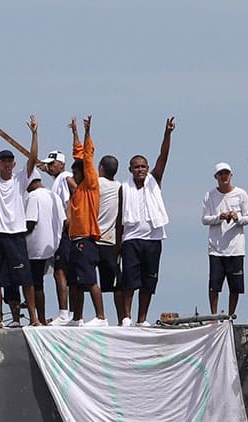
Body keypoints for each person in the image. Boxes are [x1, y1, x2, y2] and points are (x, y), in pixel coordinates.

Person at [0, 112, 40, 327]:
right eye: (2, 161)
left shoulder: (20, 179)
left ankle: (33, 318)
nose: (6, 164)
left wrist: (34, 134)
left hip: (15, 235)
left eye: (9, 161)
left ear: (13, 163)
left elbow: (32, 159)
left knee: (25, 279)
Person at [117, 117, 175, 326]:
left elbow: (164, 156)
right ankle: (126, 317)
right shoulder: (123, 188)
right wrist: (117, 243)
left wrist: (167, 133)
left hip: (153, 238)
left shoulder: (154, 181)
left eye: (143, 166)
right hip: (131, 238)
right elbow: (118, 218)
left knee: (148, 281)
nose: (140, 169)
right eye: (136, 167)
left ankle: (142, 319)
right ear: (130, 169)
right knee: (129, 281)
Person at [66, 116, 106, 326]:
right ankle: (77, 318)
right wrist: (74, 134)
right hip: (74, 239)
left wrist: (87, 132)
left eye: (75, 172)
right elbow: (78, 155)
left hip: (86, 239)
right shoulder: (79, 190)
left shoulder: (90, 185)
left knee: (89, 280)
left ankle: (101, 317)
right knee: (74, 282)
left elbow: (87, 159)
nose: (74, 175)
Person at [201, 162, 248, 315]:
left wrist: (237, 218)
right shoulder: (210, 195)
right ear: (216, 177)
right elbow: (204, 219)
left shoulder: (241, 194)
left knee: (235, 286)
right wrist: (219, 217)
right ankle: (214, 315)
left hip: (236, 247)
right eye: (220, 174)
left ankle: (230, 314)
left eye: (226, 173)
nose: (224, 176)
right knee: (214, 285)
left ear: (231, 175)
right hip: (216, 248)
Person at [39, 148, 76, 326]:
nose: (50, 167)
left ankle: (64, 313)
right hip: (59, 230)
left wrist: (70, 215)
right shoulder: (57, 180)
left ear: (61, 163)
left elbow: (73, 187)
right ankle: (68, 312)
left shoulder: (65, 176)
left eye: (52, 164)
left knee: (61, 270)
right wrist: (45, 168)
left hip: (64, 230)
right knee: (60, 271)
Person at [24, 174, 65, 325]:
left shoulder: (33, 197)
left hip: (34, 246)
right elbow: (63, 220)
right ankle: (42, 317)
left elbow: (30, 223)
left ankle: (37, 318)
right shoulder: (54, 196)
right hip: (53, 244)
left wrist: (17, 236)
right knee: (40, 283)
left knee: (33, 283)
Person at [96, 154, 123, 323]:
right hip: (111, 240)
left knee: (88, 281)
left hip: (94, 238)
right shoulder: (121, 187)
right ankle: (122, 319)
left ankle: (99, 316)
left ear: (101, 168)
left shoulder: (97, 183)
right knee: (115, 284)